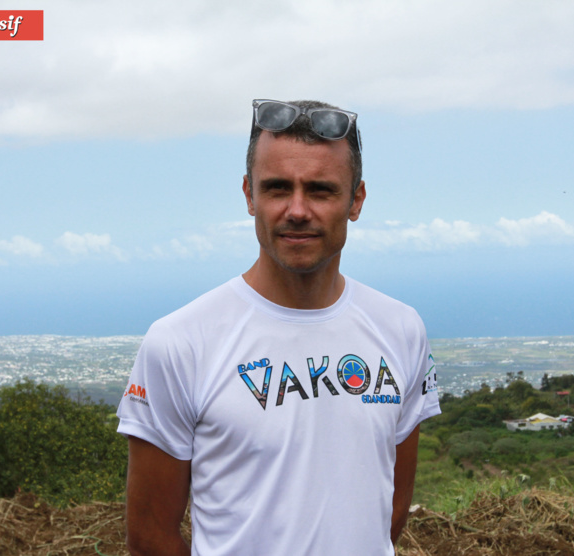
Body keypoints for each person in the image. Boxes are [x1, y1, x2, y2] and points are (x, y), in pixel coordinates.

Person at [117, 99, 441, 556]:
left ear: (357, 200)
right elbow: (150, 536)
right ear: (249, 195)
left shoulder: (401, 329)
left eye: (321, 190)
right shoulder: (180, 343)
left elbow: (389, 509)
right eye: (276, 188)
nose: (297, 210)